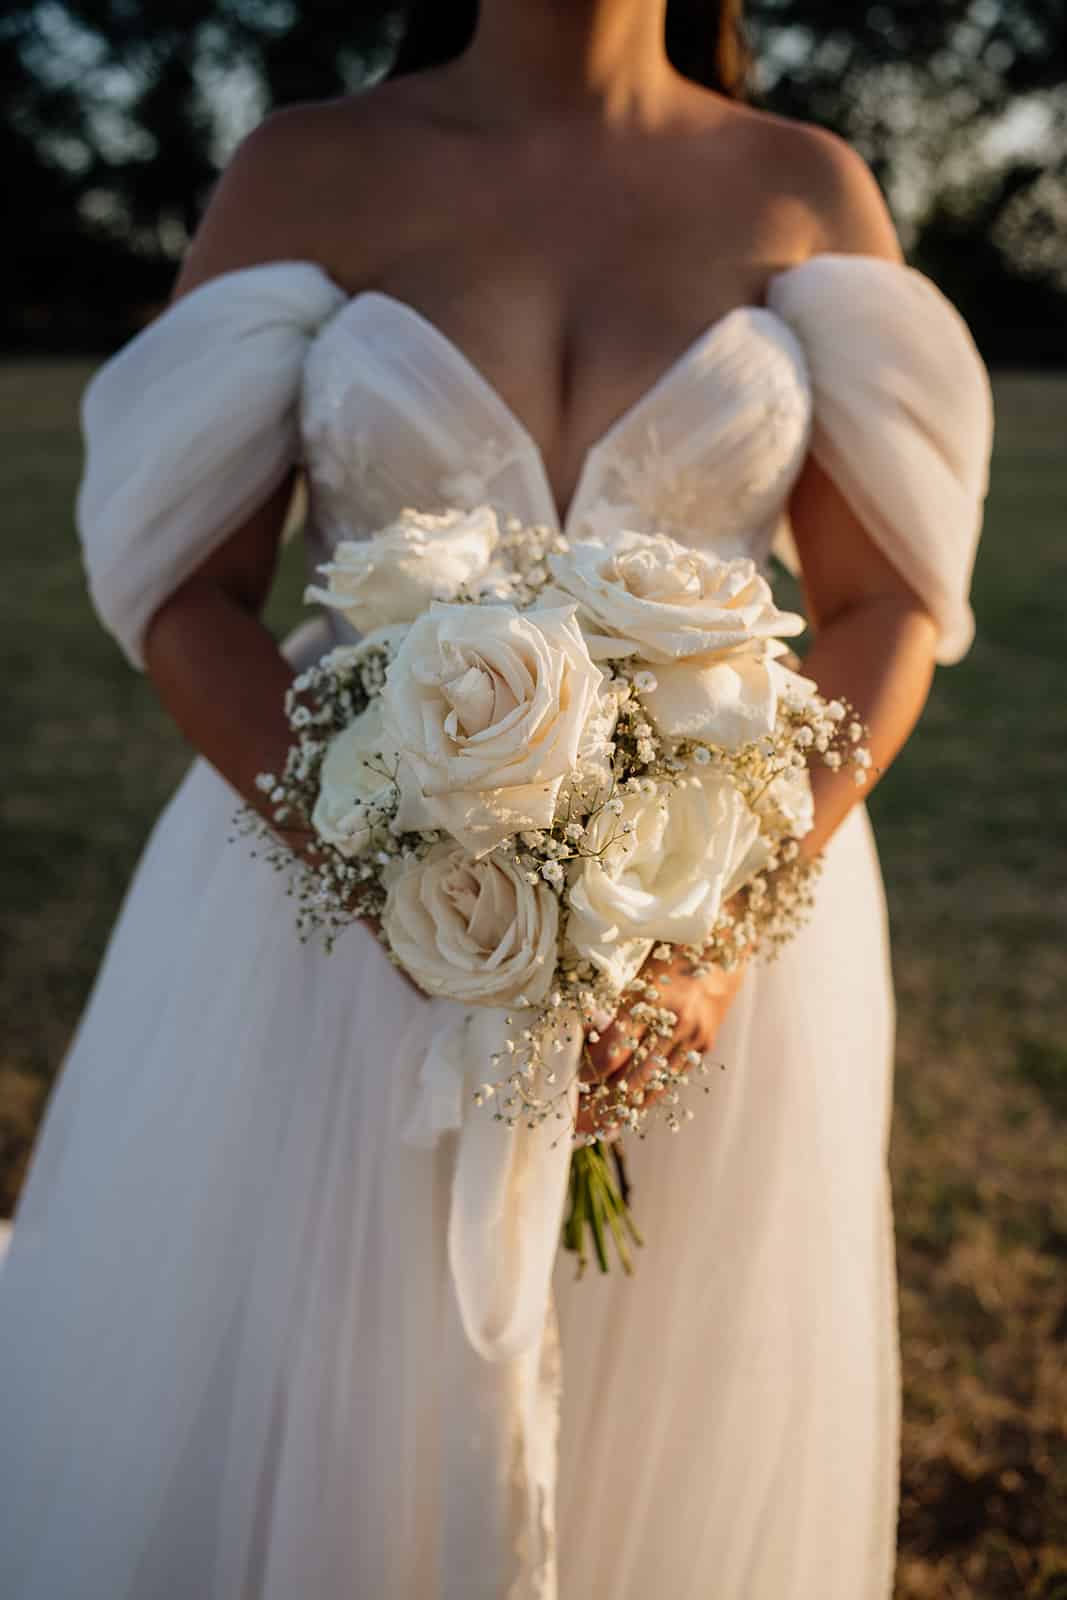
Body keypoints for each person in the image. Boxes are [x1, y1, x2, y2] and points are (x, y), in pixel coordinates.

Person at [0, 2, 994, 1596]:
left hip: (716, 925)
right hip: (324, 921)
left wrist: (718, 937)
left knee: (664, 1413)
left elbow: (886, 608)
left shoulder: (807, 189)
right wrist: (396, 878)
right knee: (318, 1403)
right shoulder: (305, 170)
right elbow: (189, 594)